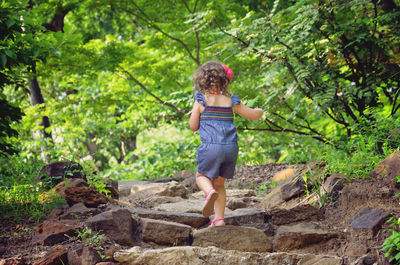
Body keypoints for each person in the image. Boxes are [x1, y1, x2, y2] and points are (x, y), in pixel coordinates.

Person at [189, 61, 263, 227]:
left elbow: (193, 126)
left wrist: (197, 110)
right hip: (230, 148)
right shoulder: (231, 102)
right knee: (220, 183)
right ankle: (220, 219)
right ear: (225, 81)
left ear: (201, 81)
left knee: (201, 176)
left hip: (210, 147)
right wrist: (260, 111)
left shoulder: (201, 100)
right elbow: (254, 115)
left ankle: (209, 193)